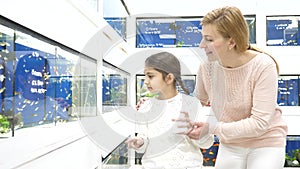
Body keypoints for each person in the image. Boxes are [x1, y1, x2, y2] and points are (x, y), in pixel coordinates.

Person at [182, 6, 288, 169]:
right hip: (231, 143)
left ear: (231, 41)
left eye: (209, 39)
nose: (202, 45)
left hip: (266, 142)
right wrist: (157, 103)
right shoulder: (207, 68)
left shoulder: (263, 66)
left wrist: (213, 128)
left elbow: (259, 123)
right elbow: (197, 103)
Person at [125, 51, 214, 169]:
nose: (146, 81)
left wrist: (195, 134)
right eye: (145, 76)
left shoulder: (192, 104)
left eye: (150, 76)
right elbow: (144, 142)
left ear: (169, 78)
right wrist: (140, 142)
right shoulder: (145, 106)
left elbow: (207, 143)